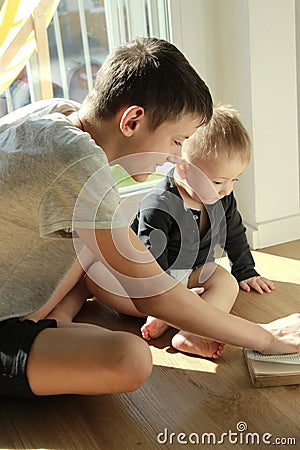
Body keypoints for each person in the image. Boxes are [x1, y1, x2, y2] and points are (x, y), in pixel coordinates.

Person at [0, 38, 299, 399]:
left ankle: (53, 321)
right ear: (133, 120)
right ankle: (42, 328)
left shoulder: (59, 113)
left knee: (104, 252)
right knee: (130, 360)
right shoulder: (76, 162)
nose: (176, 157)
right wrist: (267, 336)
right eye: (177, 141)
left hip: (17, 283)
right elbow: (153, 294)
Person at [131, 104, 275, 357]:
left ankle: (191, 333)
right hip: (153, 278)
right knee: (131, 296)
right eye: (219, 181)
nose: (227, 189)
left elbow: (234, 232)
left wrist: (245, 271)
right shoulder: (159, 206)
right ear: (184, 168)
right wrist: (171, 298)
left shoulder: (221, 198)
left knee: (226, 283)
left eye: (234, 180)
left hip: (192, 272)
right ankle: (168, 314)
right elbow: (151, 263)